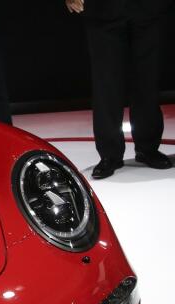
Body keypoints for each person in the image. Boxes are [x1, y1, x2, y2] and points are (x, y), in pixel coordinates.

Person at [66, 0, 173, 179]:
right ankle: (110, 154)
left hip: (149, 9)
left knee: (147, 79)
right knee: (106, 83)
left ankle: (148, 148)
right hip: (103, 9)